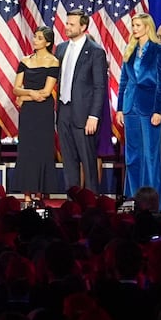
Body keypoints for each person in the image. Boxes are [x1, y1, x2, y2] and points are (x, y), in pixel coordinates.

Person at [55, 10, 107, 191]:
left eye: (71, 24)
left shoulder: (95, 52)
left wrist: (94, 116)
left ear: (83, 27)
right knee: (69, 162)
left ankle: (91, 202)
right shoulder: (60, 48)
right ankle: (73, 201)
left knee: (88, 160)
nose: (66, 27)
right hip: (64, 111)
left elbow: (100, 87)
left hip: (84, 115)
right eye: (67, 23)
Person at [119, 13, 161, 199]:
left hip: (149, 109)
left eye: (138, 25)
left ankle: (151, 201)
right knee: (132, 157)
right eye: (133, 25)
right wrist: (119, 109)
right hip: (130, 108)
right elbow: (124, 81)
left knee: (150, 157)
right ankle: (132, 199)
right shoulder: (130, 49)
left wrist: (158, 110)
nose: (135, 29)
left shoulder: (159, 51)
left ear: (147, 27)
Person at [12, 28, 59, 195]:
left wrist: (24, 97)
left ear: (47, 42)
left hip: (43, 112)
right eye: (35, 36)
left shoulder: (53, 62)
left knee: (42, 149)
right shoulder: (25, 60)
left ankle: (40, 192)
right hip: (28, 113)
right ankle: (26, 193)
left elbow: (46, 93)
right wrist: (29, 94)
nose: (35, 40)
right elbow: (16, 89)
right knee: (26, 150)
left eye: (39, 38)